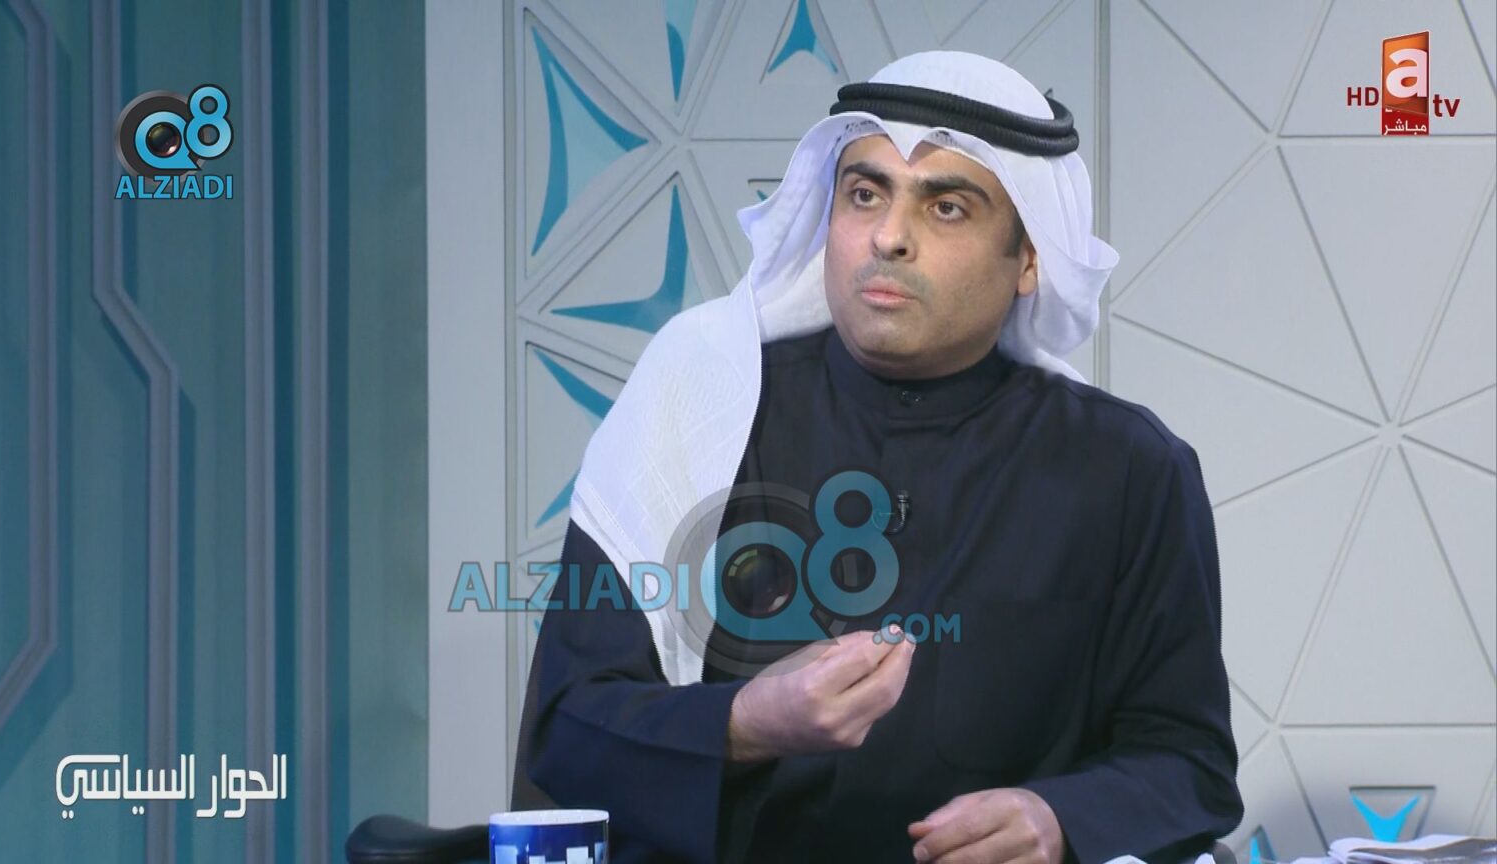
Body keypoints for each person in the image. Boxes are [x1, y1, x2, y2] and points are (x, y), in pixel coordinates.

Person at [516, 50, 1243, 864]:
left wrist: (1059, 819)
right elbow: (568, 730)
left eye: (947, 208)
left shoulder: (1129, 470)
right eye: (865, 195)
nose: (890, 237)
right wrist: (745, 723)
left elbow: (1189, 764)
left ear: (1031, 258)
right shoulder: (701, 412)